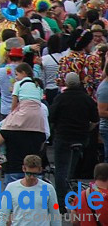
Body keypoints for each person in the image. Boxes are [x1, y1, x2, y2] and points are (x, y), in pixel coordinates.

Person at [48, 71, 98, 212]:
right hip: (81, 137)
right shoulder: (87, 99)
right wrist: (87, 129)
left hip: (64, 137)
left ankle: (60, 203)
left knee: (61, 169)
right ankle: (74, 196)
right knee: (73, 166)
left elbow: (51, 117)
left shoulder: (61, 98)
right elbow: (95, 119)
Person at [0, 154, 60, 226]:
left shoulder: (48, 188)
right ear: (23, 169)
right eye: (28, 173)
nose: (31, 177)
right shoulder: (11, 187)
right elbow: (2, 213)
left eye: (35, 174)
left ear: (40, 170)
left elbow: (55, 215)